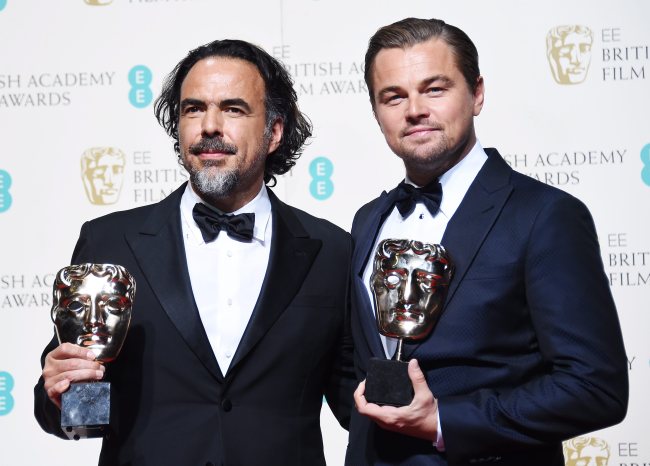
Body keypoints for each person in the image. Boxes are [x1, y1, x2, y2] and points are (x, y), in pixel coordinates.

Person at [34, 39, 355, 466]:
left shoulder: (331, 251)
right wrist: (57, 394)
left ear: (274, 132)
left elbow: (357, 402)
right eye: (193, 109)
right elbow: (68, 398)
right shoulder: (110, 241)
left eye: (234, 109)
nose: (209, 126)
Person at [346, 17, 628, 466]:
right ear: (376, 110)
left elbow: (595, 388)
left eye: (434, 89)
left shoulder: (544, 215)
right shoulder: (368, 221)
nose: (414, 109)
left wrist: (445, 421)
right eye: (393, 96)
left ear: (476, 94)